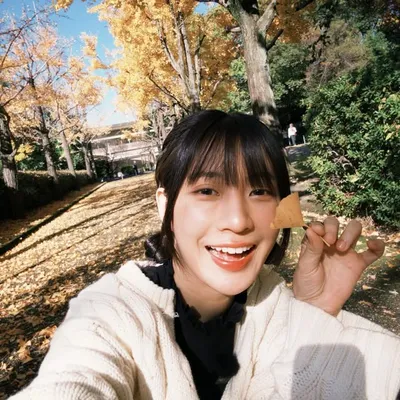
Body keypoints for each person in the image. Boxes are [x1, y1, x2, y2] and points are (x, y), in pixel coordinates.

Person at [11, 111, 400, 400]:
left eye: (260, 192)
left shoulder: (277, 304)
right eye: (208, 191)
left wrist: (313, 314)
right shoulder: (108, 314)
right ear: (165, 205)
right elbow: (75, 379)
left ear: (282, 207)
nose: (238, 221)